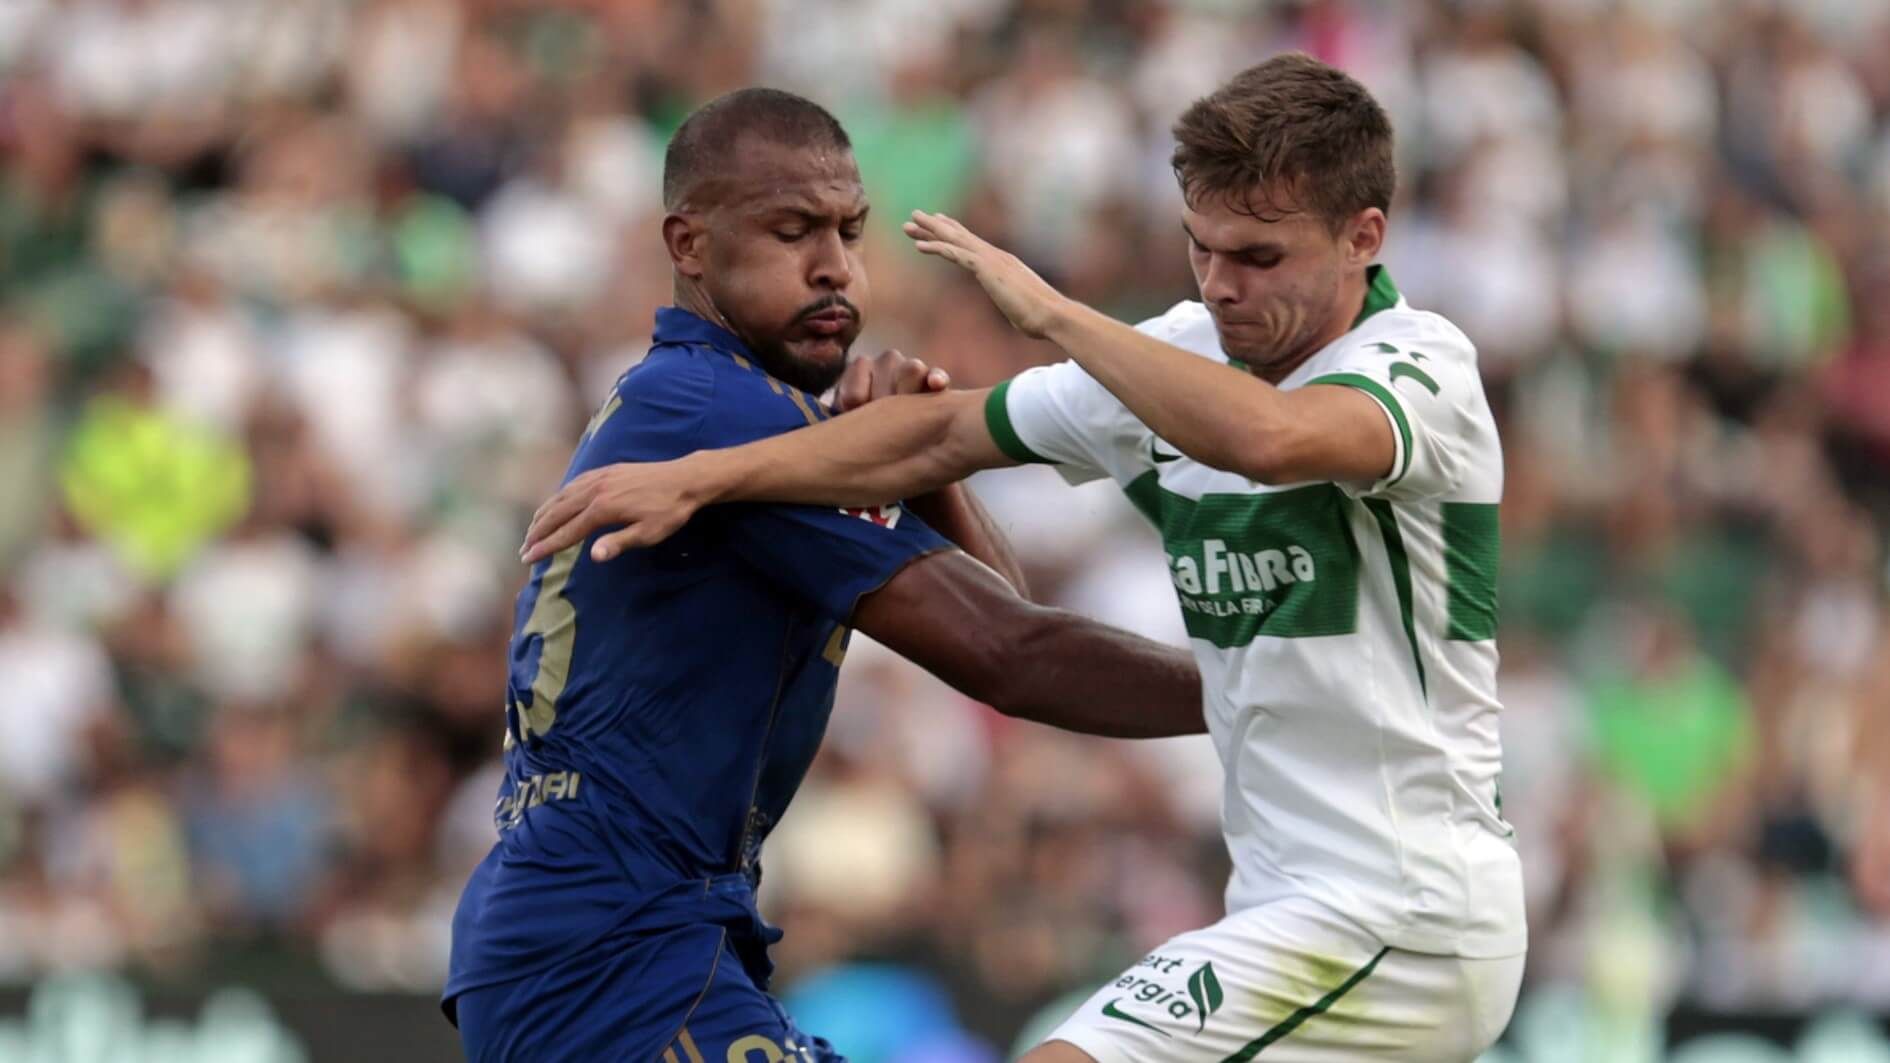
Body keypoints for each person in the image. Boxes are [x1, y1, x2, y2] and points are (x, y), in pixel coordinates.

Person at [523, 55, 1524, 1062]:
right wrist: (709, 476)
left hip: (1401, 911)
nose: (1222, 287)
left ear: (1364, 237)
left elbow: (1267, 439)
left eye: (1259, 257)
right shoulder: (1183, 352)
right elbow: (933, 436)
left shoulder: (1416, 367)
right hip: (1287, 903)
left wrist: (1053, 315)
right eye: (1202, 249)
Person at [445, 88, 1203, 1062]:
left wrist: (924, 472)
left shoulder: (713, 406)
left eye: (850, 231)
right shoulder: (722, 410)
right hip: (613, 952)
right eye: (791, 231)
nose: (834, 267)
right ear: (690, 244)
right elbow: (1014, 653)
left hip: (603, 940)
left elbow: (1006, 621)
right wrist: (1276, 692)